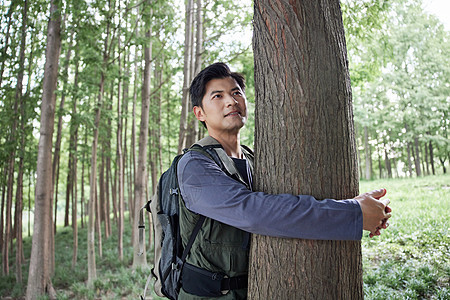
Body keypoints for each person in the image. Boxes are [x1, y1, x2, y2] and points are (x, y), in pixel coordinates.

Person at [176, 62, 391, 299]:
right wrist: (353, 213)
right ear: (200, 113)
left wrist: (357, 206)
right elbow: (254, 212)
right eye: (218, 96)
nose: (231, 101)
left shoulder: (254, 159)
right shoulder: (195, 166)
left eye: (236, 92)